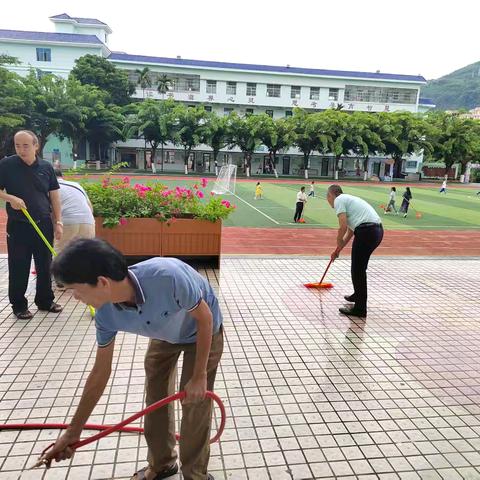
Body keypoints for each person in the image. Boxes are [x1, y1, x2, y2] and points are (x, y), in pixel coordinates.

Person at [45, 238, 223, 480]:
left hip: (201, 330)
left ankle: (195, 474)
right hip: (164, 333)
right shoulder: (105, 314)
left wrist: (199, 376)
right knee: (155, 395)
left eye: (76, 289)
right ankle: (162, 464)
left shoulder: (167, 277)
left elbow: (205, 318)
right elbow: (100, 373)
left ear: (102, 282)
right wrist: (73, 431)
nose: (75, 297)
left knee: (194, 401)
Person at [0, 130, 63, 319]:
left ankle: (45, 300)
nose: (21, 149)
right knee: (19, 265)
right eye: (17, 145)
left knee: (45, 264)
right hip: (19, 225)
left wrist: (58, 221)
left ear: (36, 146)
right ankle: (19, 305)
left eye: (25, 145)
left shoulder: (46, 167)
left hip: (43, 222)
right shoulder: (6, 165)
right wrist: (9, 197)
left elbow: (54, 195)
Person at [327, 184, 383, 317]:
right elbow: (350, 232)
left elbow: (343, 226)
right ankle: (358, 296)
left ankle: (360, 309)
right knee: (359, 268)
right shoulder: (348, 201)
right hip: (375, 231)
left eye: (327, 198)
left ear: (331, 195)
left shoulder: (339, 200)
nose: (329, 201)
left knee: (357, 270)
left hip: (367, 231)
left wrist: (338, 240)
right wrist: (338, 250)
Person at [54, 169, 95, 254]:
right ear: (62, 176)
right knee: (86, 255)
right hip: (88, 221)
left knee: (61, 255)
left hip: (67, 221)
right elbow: (90, 207)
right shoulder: (76, 185)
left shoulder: (52, 187)